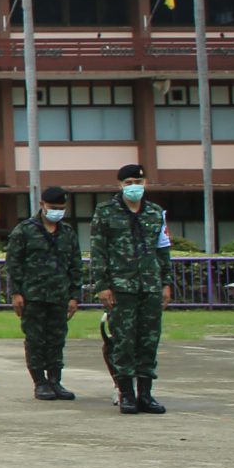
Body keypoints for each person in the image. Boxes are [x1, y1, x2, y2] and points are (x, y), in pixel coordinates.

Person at [91, 165, 172, 415]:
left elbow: (163, 249)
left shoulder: (156, 213)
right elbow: (98, 251)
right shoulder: (105, 212)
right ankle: (126, 393)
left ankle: (146, 394)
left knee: (149, 340)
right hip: (121, 287)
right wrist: (102, 285)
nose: (133, 185)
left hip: (150, 286)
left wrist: (166, 282)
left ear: (145, 182)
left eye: (137, 180)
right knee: (123, 341)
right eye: (128, 182)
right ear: (119, 185)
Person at [5, 187, 84, 400]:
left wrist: (74, 295)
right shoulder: (24, 230)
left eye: (61, 208)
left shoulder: (67, 232)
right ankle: (40, 382)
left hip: (59, 296)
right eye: (52, 208)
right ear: (42, 205)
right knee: (36, 340)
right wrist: (16, 294)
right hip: (33, 296)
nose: (57, 212)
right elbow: (13, 264)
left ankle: (55, 380)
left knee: (57, 339)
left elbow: (75, 265)